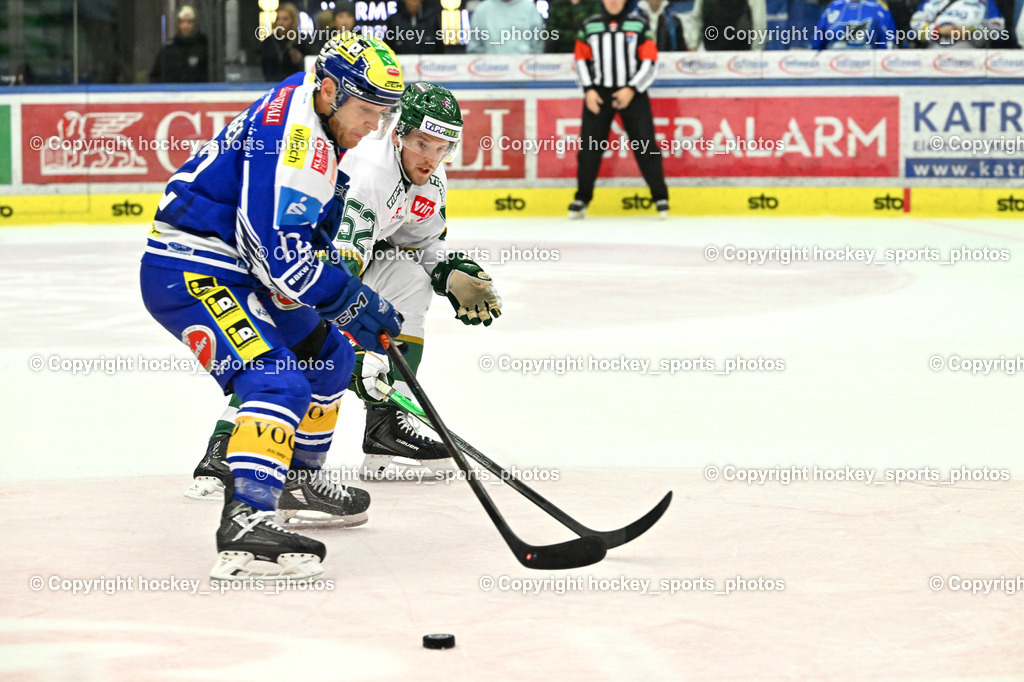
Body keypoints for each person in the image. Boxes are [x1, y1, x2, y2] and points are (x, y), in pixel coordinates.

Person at [141, 34, 407, 581]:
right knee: (277, 381)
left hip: (235, 263)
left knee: (329, 357)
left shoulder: (307, 94)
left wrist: (338, 301)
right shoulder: (299, 144)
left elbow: (280, 246)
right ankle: (245, 526)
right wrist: (350, 299)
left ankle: (295, 480)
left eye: (383, 116)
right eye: (365, 112)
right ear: (332, 91)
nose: (372, 129)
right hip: (189, 272)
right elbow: (283, 264)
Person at [184, 82, 502, 494]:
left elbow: (419, 242)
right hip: (283, 265)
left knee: (410, 276)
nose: (432, 157)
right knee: (296, 346)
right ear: (399, 132)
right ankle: (224, 450)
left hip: (328, 264)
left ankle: (386, 425)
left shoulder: (430, 181)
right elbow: (328, 280)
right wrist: (354, 354)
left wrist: (450, 271)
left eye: (443, 147)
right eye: (423, 143)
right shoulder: (368, 177)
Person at [569, 0, 669, 220]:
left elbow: (650, 60)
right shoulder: (590, 25)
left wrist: (632, 88)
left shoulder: (639, 25)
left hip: (633, 93)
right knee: (589, 148)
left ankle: (660, 197)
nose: (613, 1)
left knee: (645, 145)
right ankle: (582, 198)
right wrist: (588, 90)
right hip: (598, 94)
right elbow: (580, 59)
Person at [149, 5, 209, 83]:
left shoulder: (203, 47)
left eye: (189, 22)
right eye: (182, 22)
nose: (185, 26)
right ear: (177, 24)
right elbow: (155, 76)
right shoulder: (168, 50)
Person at [910, 0, 1005, 47]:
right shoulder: (932, 2)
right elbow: (915, 23)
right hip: (931, 59)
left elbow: (999, 29)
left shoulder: (985, 2)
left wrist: (970, 32)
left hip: (974, 60)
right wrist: (937, 30)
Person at [466, 0, 545, 54]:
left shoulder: (530, 8)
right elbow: (474, 49)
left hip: (524, 72)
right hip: (490, 72)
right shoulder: (482, 10)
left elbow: (537, 48)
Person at [812, 0, 897, 49]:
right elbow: (818, 40)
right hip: (833, 65)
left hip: (869, 67)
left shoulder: (877, 7)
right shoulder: (835, 6)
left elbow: (888, 40)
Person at [261, 3, 313, 82]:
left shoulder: (303, 41)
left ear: (293, 20)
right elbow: (264, 67)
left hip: (296, 84)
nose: (280, 23)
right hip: (272, 83)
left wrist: (300, 60)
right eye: (278, 19)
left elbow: (310, 66)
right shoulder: (269, 42)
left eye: (285, 19)